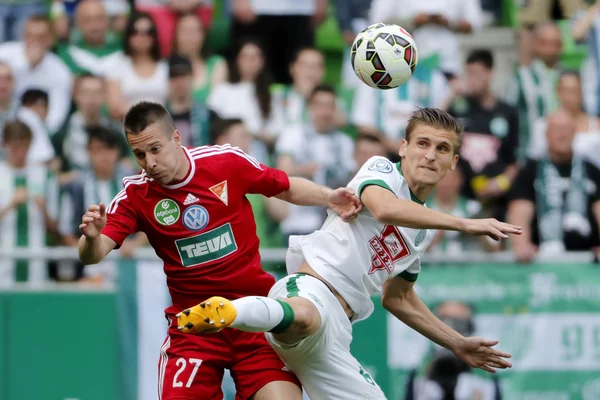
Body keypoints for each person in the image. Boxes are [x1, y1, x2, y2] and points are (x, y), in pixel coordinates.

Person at [177, 108, 520, 400]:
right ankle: (230, 310)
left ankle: (244, 312)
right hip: (309, 289)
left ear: (453, 163)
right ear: (403, 147)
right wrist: (464, 223)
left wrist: (456, 342)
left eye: (442, 149)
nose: (430, 155)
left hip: (336, 336)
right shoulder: (381, 170)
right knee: (307, 316)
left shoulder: (422, 229)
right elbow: (385, 209)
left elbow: (398, 299)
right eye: (422, 143)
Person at [77, 101, 362, 399]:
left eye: (155, 149)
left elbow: (284, 186)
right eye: (139, 154)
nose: (149, 163)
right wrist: (92, 238)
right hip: (195, 327)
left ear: (176, 138)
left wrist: (329, 196)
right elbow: (93, 254)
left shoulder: (224, 162)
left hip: (254, 319)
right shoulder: (135, 195)